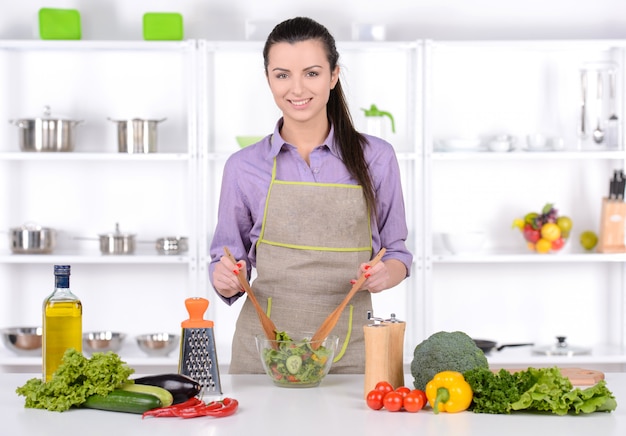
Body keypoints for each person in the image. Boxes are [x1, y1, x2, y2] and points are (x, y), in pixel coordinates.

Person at [209, 16, 413, 374]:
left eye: (312, 73)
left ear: (334, 76)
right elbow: (227, 261)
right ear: (268, 78)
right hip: (263, 350)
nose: (297, 89)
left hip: (351, 351)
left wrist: (386, 274)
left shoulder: (377, 158)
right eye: (282, 74)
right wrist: (225, 277)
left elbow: (396, 254)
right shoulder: (243, 167)